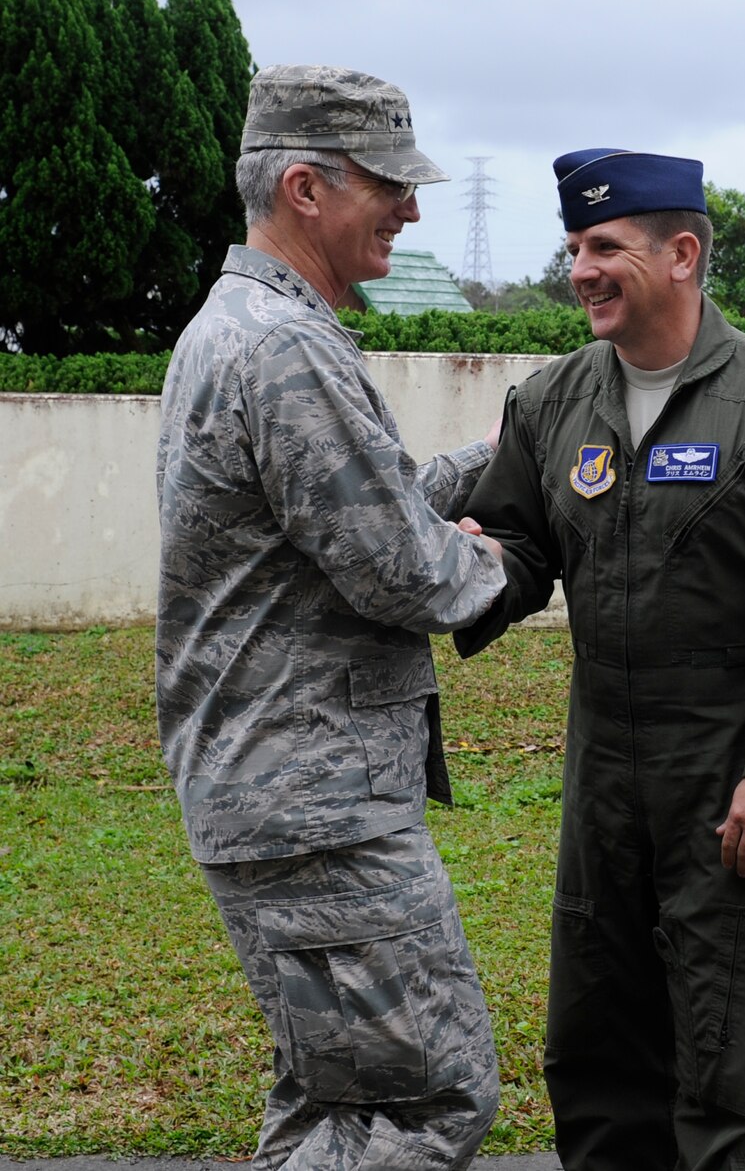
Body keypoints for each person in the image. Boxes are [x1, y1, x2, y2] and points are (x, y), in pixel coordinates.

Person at [452, 148, 745, 1171]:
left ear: (682, 253)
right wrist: (456, 568)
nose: (581, 270)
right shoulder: (551, 400)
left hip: (729, 774)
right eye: (573, 248)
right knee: (596, 1045)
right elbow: (518, 550)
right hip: (603, 768)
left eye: (605, 247)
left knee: (722, 1063)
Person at [156, 64, 507, 1168]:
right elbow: (401, 569)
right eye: (388, 185)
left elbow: (355, 505)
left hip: (272, 792)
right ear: (305, 187)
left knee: (333, 1105)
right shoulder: (286, 348)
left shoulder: (241, 325)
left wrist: (506, 459)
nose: (410, 208)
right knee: (430, 1101)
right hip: (319, 813)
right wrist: (500, 557)